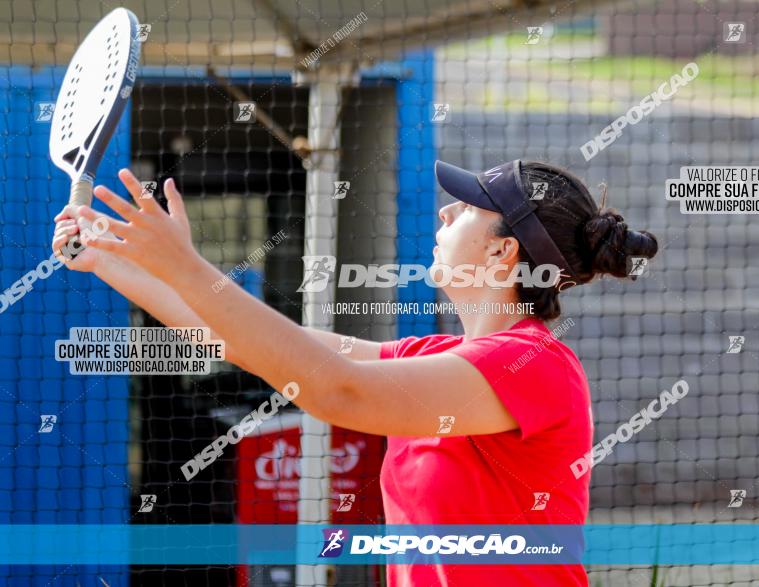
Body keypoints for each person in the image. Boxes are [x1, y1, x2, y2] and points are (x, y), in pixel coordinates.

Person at [52, 159, 658, 585]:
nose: (446, 212)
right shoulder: (434, 356)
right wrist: (115, 260)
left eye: (470, 205)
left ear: (503, 250)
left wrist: (186, 266)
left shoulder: (533, 364)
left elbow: (336, 389)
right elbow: (228, 335)